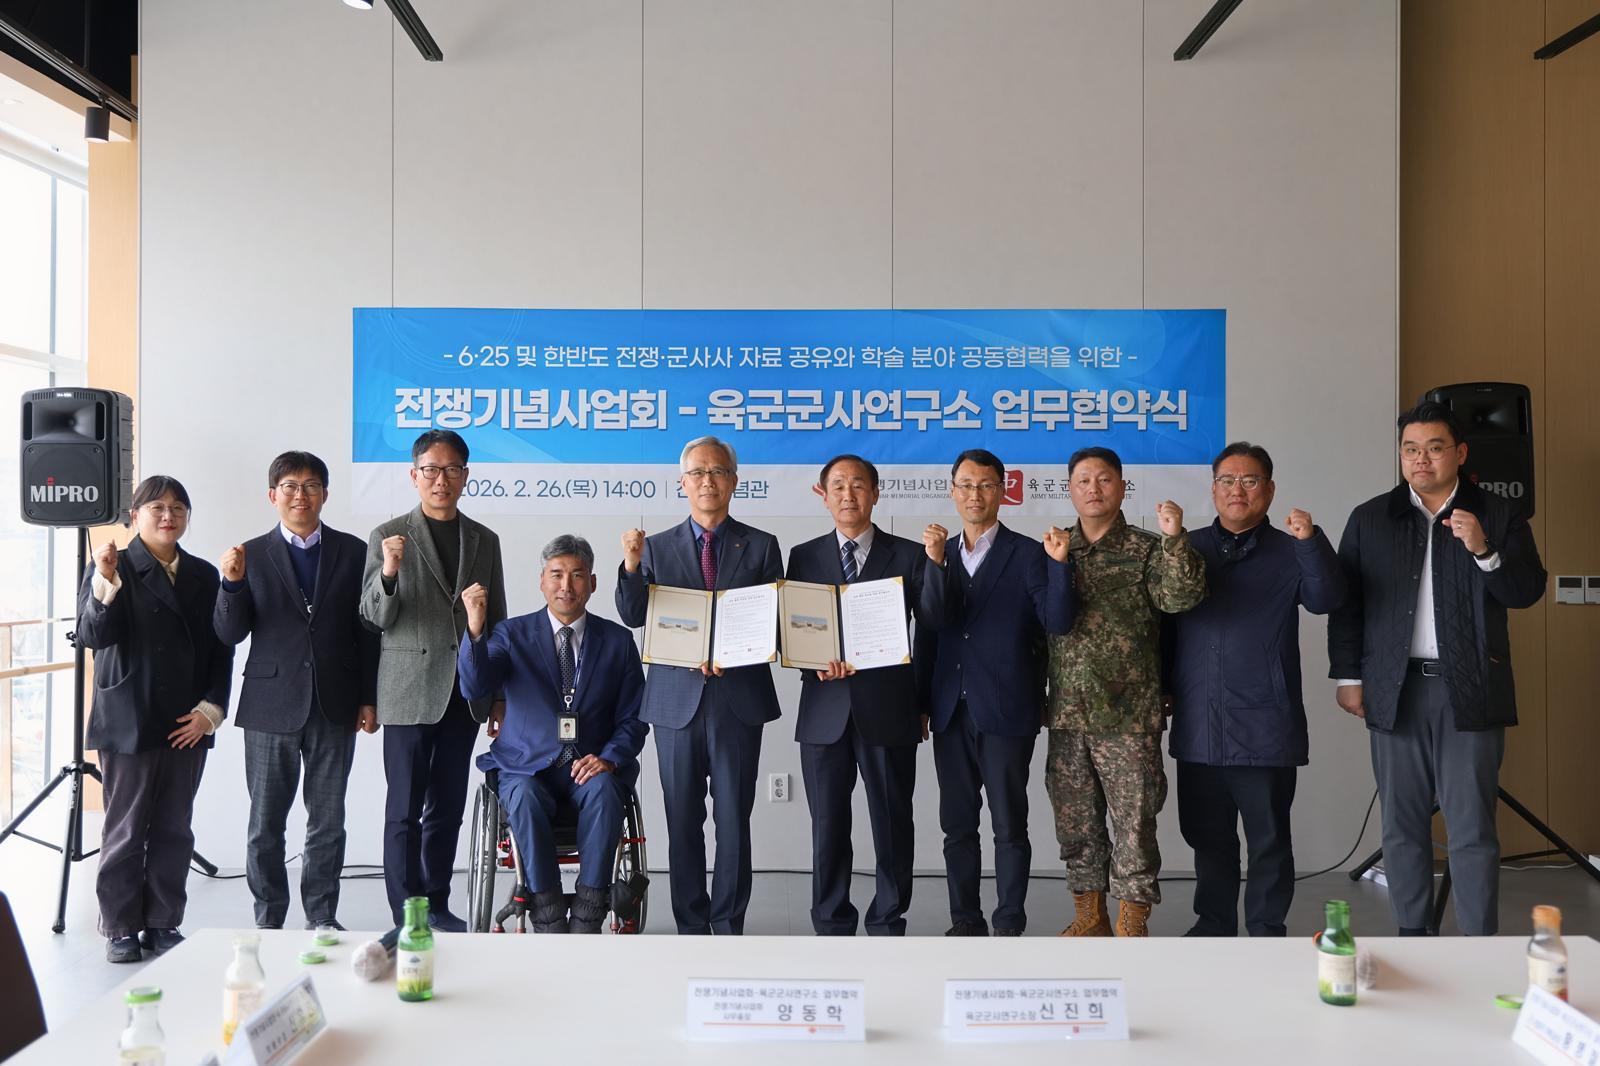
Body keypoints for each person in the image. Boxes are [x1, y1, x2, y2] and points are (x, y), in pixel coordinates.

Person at [1329, 402, 1545, 936]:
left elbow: (1526, 591)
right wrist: (1349, 677)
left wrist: (1483, 550)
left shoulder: (1497, 514)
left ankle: (1476, 944)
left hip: (1469, 688)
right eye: (1410, 449)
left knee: (1471, 827)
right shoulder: (1371, 517)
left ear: (1460, 453)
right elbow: (1348, 605)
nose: (1420, 459)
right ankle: (1412, 936)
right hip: (1394, 687)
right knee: (1401, 823)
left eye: (1433, 447)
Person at [1166, 442, 1345, 937]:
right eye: (1227, 480)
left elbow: (1327, 598)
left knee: (1268, 839)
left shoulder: (1292, 549)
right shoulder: (1187, 549)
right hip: (1200, 721)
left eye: (1249, 481)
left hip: (1265, 722)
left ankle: (1266, 929)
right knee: (1207, 836)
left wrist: (1310, 542)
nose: (1237, 490)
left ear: (1269, 490)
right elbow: (1162, 628)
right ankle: (1214, 924)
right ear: (1213, 489)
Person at [616, 435, 783, 935]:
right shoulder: (655, 547)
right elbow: (632, 615)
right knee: (682, 819)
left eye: (717, 472)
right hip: (674, 703)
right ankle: (690, 925)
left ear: (734, 481)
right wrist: (630, 565)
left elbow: (774, 623)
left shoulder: (762, 545)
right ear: (682, 482)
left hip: (738, 698)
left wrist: (736, 653)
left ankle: (728, 922)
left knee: (733, 820)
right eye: (698, 473)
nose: (707, 481)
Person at [786, 454, 958, 936]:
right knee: (827, 826)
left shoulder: (910, 554)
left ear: (876, 493)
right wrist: (814, 661)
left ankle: (887, 918)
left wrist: (937, 564)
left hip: (889, 709)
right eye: (838, 485)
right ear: (823, 495)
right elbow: (791, 627)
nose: (848, 494)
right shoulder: (803, 555)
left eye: (858, 485)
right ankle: (831, 921)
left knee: (892, 822)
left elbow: (935, 622)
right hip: (824, 710)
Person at [213, 450, 380, 931]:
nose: (300, 495)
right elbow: (229, 633)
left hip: (335, 703)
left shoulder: (353, 552)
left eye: (310, 485)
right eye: (289, 486)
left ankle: (322, 916)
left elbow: (367, 632)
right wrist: (231, 585)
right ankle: (268, 918)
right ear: (273, 495)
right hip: (270, 706)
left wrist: (368, 697)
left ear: (325, 493)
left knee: (327, 821)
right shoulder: (248, 554)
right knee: (266, 822)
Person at [914, 448, 1075, 936]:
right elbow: (930, 629)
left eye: (985, 485)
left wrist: (1060, 566)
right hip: (949, 710)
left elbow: (1057, 622)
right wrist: (921, 703)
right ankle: (965, 920)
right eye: (965, 485)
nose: (975, 494)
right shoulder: (937, 554)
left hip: (1007, 709)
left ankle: (1009, 923)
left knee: (1009, 825)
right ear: (952, 491)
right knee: (957, 826)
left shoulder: (1028, 554)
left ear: (1003, 491)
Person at [1049, 446, 1205, 938]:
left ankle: (1131, 920)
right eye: (1083, 481)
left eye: (1104, 479)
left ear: (1121, 487)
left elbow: (1179, 598)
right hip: (1068, 714)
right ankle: (1089, 915)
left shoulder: (1147, 548)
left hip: (1128, 714)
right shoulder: (1055, 549)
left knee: (1134, 822)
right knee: (1075, 821)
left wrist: (1175, 539)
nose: (1093, 489)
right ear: (1070, 489)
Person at [77, 475, 233, 962]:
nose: (168, 516)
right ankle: (120, 927)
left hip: (188, 721)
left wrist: (211, 711)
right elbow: (93, 636)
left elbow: (220, 649)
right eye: (157, 507)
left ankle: (164, 921)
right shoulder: (111, 566)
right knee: (125, 829)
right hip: (130, 717)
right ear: (135, 516)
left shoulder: (204, 575)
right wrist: (105, 582)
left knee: (174, 828)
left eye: (178, 508)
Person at [458, 535, 647, 933]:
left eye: (577, 575)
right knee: (524, 796)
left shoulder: (618, 642)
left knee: (605, 790)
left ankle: (589, 912)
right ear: (542, 581)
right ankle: (547, 912)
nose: (566, 585)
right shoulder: (511, 634)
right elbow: (475, 686)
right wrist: (475, 629)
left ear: (592, 583)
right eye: (556, 575)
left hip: (590, 765)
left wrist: (609, 759)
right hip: (526, 764)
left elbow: (633, 718)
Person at [361, 429, 506, 931]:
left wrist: (497, 694)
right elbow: (373, 617)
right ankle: (407, 913)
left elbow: (497, 620)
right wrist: (389, 571)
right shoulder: (387, 535)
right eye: (431, 470)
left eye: (451, 470)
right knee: (403, 810)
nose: (441, 479)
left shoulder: (484, 539)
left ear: (465, 475)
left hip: (463, 693)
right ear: (414, 475)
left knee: (447, 808)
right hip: (407, 690)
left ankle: (437, 904)